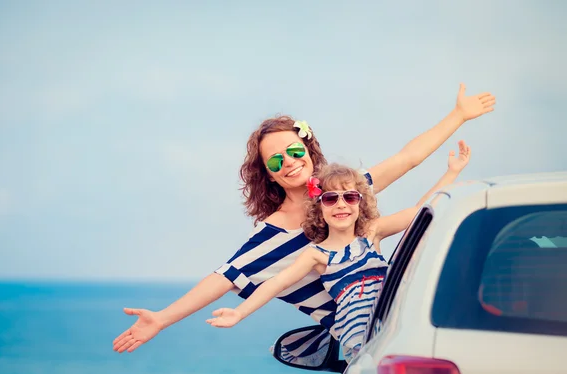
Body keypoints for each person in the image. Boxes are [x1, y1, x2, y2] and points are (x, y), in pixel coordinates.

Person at [113, 84, 494, 354]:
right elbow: (222, 279)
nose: (289, 163)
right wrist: (161, 319)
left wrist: (458, 116)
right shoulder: (270, 237)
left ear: (309, 151)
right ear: (269, 175)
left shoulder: (344, 192)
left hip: (410, 315)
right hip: (370, 343)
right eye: (276, 161)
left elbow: (408, 159)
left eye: (294, 152)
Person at [206, 145, 471, 360]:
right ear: (319, 207)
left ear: (360, 202)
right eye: (331, 199)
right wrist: (239, 313)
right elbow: (276, 283)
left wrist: (451, 173)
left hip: (397, 331)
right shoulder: (316, 255)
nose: (341, 205)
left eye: (350, 197)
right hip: (364, 350)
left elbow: (421, 211)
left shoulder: (371, 233)